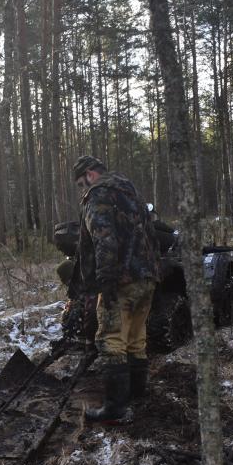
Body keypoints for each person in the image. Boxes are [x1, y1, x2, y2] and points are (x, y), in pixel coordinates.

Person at [71, 155, 160, 424]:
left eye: (80, 183)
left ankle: (115, 410)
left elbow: (103, 238)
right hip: (147, 276)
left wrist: (106, 280)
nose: (81, 189)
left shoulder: (98, 195)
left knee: (110, 340)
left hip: (121, 280)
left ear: (90, 174)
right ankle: (136, 395)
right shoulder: (128, 188)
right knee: (135, 337)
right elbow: (151, 232)